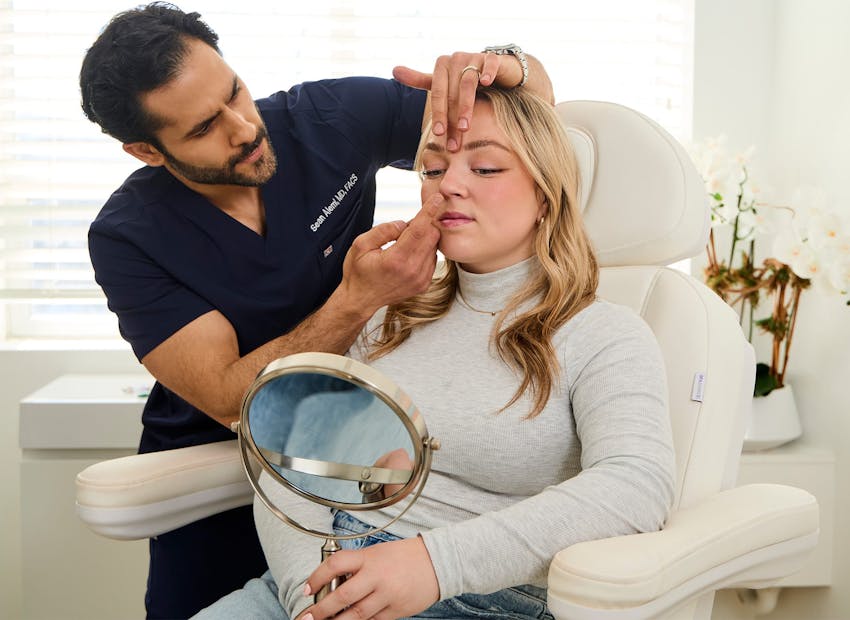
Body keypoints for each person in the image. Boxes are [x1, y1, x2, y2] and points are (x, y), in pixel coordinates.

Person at [79, 2, 554, 617]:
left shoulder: (328, 118)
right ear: (146, 150)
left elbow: (525, 127)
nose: (243, 127)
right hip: (220, 459)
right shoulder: (128, 237)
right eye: (202, 129)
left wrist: (507, 66)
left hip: (357, 449)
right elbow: (228, 395)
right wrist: (359, 299)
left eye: (235, 93)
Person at [195, 86, 676, 620]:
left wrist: (433, 565)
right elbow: (289, 453)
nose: (448, 185)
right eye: (431, 169)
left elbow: (636, 488)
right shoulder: (386, 316)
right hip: (320, 581)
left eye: (487, 169)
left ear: (546, 196)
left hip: (476, 596)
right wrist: (312, 600)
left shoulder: (604, 335)